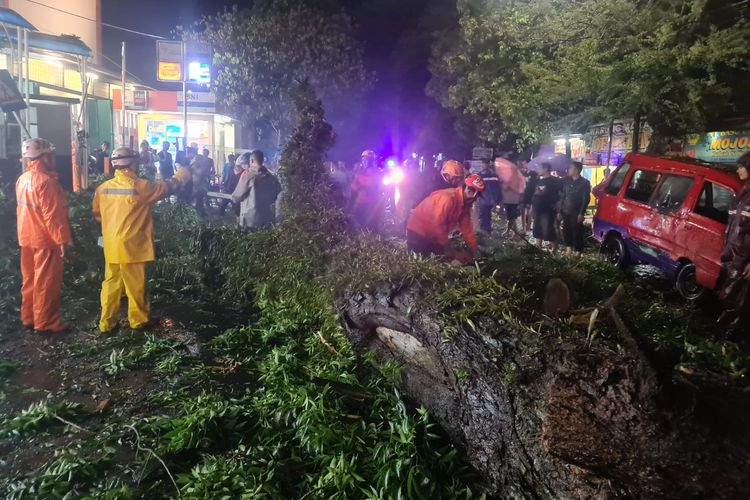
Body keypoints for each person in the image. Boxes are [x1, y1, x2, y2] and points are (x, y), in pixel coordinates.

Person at [93, 147, 190, 334]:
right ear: (132, 164)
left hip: (111, 245)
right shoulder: (140, 187)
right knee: (135, 285)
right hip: (132, 246)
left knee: (111, 284)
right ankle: (138, 321)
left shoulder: (102, 189)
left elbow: (98, 215)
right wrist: (181, 177)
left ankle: (106, 323)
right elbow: (164, 188)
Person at [15, 138, 72, 334]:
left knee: (30, 279)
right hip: (45, 239)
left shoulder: (23, 179)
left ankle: (29, 317)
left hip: (26, 237)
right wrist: (62, 240)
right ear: (44, 157)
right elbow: (52, 216)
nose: (54, 158)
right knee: (46, 282)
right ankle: (46, 322)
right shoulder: (46, 182)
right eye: (51, 154)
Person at [406, 174, 486, 263]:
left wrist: (474, 250)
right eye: (471, 191)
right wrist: (447, 246)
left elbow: (467, 230)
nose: (474, 198)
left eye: (477, 195)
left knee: (443, 259)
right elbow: (438, 224)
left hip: (433, 235)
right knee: (420, 263)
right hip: (418, 231)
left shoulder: (464, 205)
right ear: (466, 188)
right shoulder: (448, 199)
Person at [716, 152, 750, 335]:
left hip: (744, 260)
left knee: (737, 303)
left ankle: (728, 339)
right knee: (729, 297)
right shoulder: (742, 194)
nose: (738, 170)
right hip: (732, 255)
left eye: (741, 166)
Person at [231, 149, 281, 230]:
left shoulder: (248, 176)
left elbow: (237, 196)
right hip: (268, 220)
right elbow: (278, 194)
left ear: (251, 160)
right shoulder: (272, 178)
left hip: (250, 221)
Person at [559, 161, 592, 255]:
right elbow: (563, 196)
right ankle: (568, 249)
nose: (568, 170)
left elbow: (586, 198)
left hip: (576, 212)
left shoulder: (584, 183)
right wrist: (560, 211)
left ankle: (578, 250)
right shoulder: (566, 181)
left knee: (577, 231)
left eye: (570, 168)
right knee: (566, 230)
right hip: (566, 210)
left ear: (576, 170)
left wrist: (582, 212)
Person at [349, 150, 385, 232]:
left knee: (372, 226)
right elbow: (354, 188)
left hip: (373, 204)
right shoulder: (360, 173)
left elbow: (381, 188)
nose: (365, 162)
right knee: (359, 222)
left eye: (367, 160)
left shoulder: (379, 173)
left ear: (372, 161)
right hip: (361, 203)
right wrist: (351, 203)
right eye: (363, 160)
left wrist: (369, 190)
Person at [532, 162, 563, 252]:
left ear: (546, 169)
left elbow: (561, 195)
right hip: (538, 209)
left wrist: (559, 210)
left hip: (548, 209)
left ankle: (554, 248)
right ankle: (538, 247)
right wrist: (532, 207)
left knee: (548, 229)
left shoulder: (555, 181)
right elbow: (536, 195)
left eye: (540, 168)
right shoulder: (539, 181)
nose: (538, 170)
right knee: (537, 228)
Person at [495, 155, 526, 237]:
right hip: (514, 199)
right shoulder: (517, 176)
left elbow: (505, 188)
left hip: (509, 199)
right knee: (511, 217)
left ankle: (516, 233)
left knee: (511, 217)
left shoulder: (510, 178)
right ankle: (508, 231)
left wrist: (502, 182)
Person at [476, 160, 502, 234]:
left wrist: (498, 200)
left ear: (487, 165)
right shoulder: (481, 175)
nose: (483, 165)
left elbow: (498, 188)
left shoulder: (484, 175)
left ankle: (485, 229)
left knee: (485, 214)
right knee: (485, 214)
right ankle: (486, 229)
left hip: (486, 199)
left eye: (484, 164)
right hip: (486, 199)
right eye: (483, 164)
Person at [191, 152, 212, 216]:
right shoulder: (195, 166)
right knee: (196, 199)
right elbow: (199, 173)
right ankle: (197, 211)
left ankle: (200, 211)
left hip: (199, 185)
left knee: (200, 199)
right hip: (195, 185)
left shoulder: (199, 165)